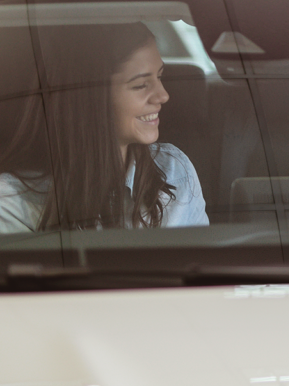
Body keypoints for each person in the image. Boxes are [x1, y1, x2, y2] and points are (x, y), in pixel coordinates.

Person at [0, 22, 208, 232]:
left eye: (160, 76)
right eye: (140, 85)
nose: (163, 96)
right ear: (90, 99)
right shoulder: (13, 204)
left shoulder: (175, 170)